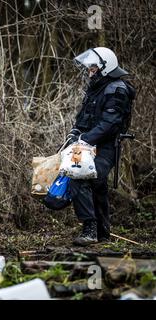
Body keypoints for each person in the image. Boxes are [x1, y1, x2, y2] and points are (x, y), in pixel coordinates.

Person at [67, 47, 135, 246]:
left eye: (93, 68)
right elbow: (84, 117)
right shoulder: (96, 88)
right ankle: (102, 234)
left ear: (105, 68)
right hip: (89, 145)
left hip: (105, 147)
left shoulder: (117, 89)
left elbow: (110, 123)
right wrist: (75, 131)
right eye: (89, 68)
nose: (90, 72)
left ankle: (90, 230)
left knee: (81, 178)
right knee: (97, 185)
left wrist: (86, 138)